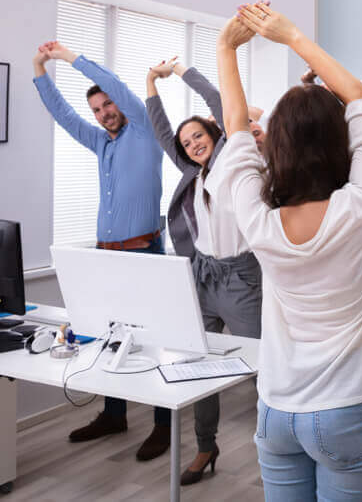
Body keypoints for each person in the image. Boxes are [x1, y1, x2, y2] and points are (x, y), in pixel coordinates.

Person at [213, 1, 362, 500]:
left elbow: (235, 126)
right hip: (350, 408)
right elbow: (359, 97)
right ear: (340, 144)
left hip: (276, 409)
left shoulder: (258, 217)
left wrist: (226, 48)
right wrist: (293, 36)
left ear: (274, 145)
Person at [31, 41, 172, 460]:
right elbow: (63, 115)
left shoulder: (145, 129)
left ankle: (164, 425)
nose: (104, 113)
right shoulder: (101, 144)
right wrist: (40, 69)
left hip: (144, 253)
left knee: (154, 341)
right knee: (113, 338)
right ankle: (115, 415)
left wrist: (69, 57)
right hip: (105, 256)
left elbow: (117, 85)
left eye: (108, 105)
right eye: (97, 110)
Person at [145, 56, 262, 485]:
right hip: (203, 276)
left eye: (198, 135)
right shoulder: (191, 173)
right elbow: (162, 134)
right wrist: (149, 84)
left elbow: (221, 99)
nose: (193, 143)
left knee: (261, 367)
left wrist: (181, 73)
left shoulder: (236, 157)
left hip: (242, 277)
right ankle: (205, 446)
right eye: (187, 141)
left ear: (216, 133)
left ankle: (276, 446)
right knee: (199, 363)